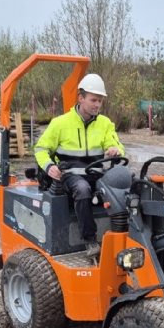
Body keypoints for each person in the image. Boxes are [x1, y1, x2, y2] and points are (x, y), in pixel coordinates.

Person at [33, 74, 124, 257]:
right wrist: (49, 166)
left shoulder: (105, 123)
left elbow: (117, 145)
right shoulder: (60, 123)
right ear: (81, 98)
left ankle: (124, 235)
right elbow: (41, 148)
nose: (97, 105)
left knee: (128, 184)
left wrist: (115, 150)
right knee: (82, 189)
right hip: (70, 176)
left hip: (97, 174)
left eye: (100, 101)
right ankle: (90, 239)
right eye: (93, 100)